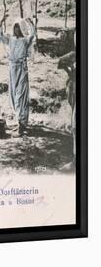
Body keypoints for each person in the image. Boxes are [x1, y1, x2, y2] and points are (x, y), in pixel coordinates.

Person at [0, 18, 36, 136]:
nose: (16, 30)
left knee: (21, 96)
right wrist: (0, 23)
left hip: (22, 69)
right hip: (12, 69)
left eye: (19, 27)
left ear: (22, 29)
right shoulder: (10, 39)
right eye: (15, 27)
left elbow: (32, 35)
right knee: (13, 95)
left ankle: (22, 124)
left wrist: (31, 24)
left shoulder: (25, 41)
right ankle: (19, 122)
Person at [58, 33, 76, 172]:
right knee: (75, 125)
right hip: (75, 89)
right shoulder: (73, 55)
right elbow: (61, 63)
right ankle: (76, 161)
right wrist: (70, 72)